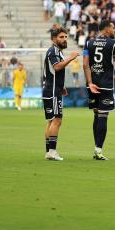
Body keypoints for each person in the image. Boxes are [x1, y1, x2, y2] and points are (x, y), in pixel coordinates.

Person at [83, 20, 115, 160]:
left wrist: (89, 82)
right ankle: (98, 150)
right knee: (103, 116)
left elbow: (85, 65)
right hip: (106, 84)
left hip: (92, 84)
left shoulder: (88, 43)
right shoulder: (114, 44)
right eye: (113, 28)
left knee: (96, 115)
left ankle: (96, 147)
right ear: (106, 30)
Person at [42, 27, 79, 161]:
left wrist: (61, 86)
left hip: (52, 89)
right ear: (53, 39)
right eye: (61, 37)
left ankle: (48, 152)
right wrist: (71, 58)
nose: (64, 39)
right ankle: (52, 151)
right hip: (52, 91)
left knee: (51, 120)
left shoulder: (56, 51)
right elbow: (57, 67)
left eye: (65, 37)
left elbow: (52, 71)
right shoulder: (53, 51)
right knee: (57, 120)